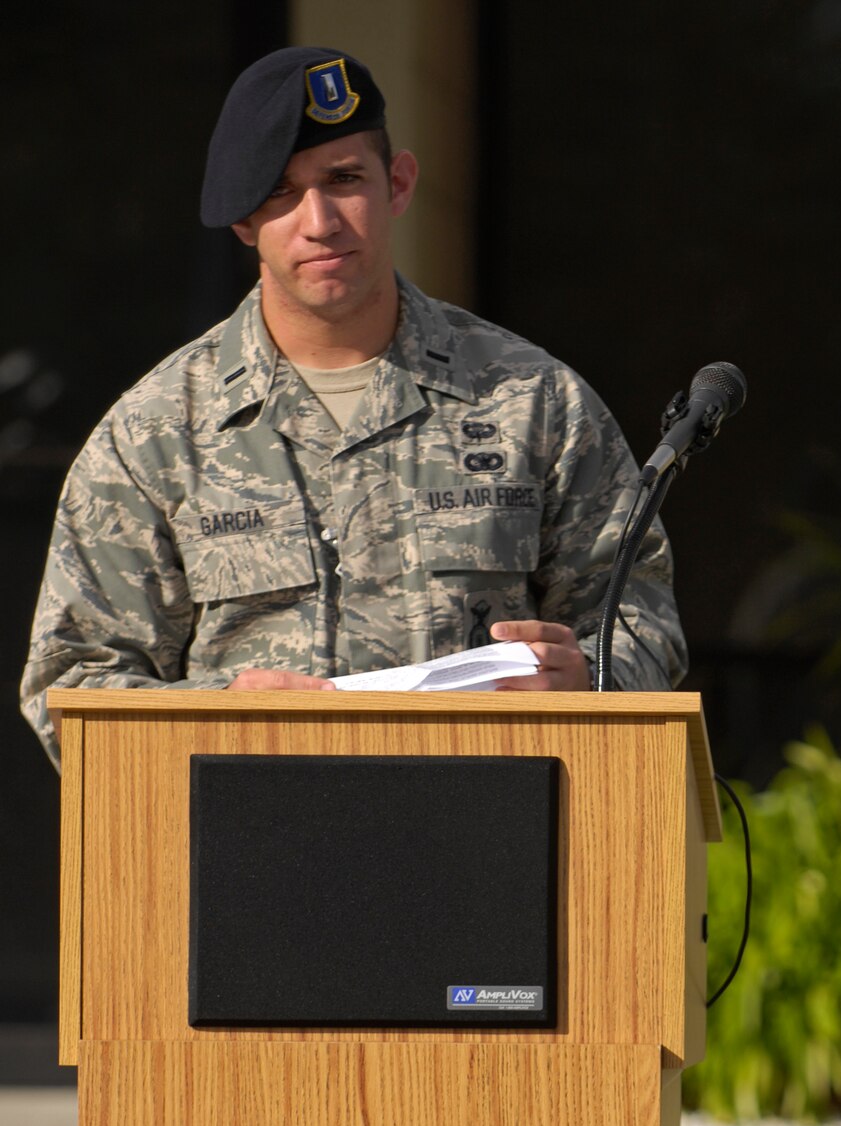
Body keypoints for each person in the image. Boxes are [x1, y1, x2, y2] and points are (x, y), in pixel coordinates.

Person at [19, 46, 687, 764]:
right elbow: (74, 682)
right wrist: (217, 718)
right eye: (280, 193)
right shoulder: (156, 432)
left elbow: (645, 625)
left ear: (398, 184)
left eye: (343, 179)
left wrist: (587, 677)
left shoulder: (534, 402)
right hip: (248, 844)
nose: (319, 220)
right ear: (244, 222)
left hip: (484, 836)